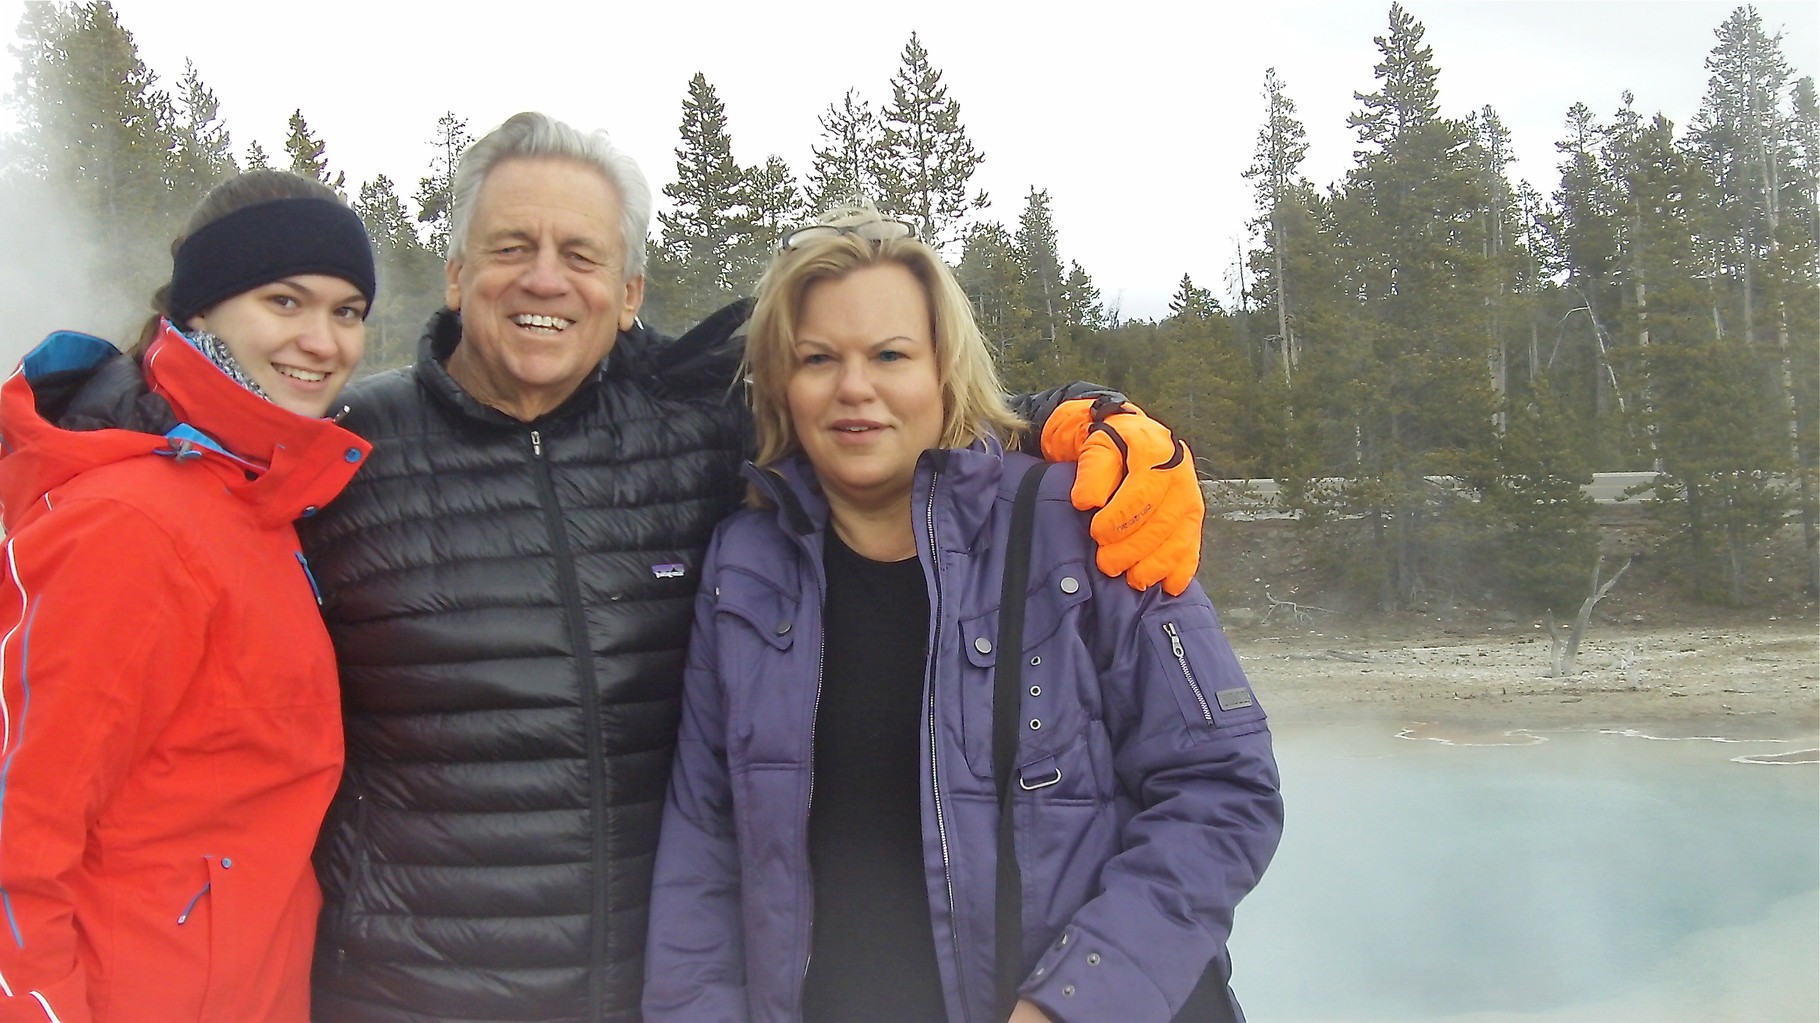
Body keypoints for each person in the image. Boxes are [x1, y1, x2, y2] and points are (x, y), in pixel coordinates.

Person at [298, 112, 1206, 1023]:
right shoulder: (338, 458)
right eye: (510, 245)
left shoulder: (690, 434)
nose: (545, 277)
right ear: (455, 273)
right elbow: (189, 488)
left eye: (581, 253)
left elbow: (885, 397)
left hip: (636, 992)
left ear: (629, 292)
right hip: (410, 991)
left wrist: (1087, 417)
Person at [642, 207, 1283, 1023]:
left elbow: (1224, 788)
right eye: (817, 358)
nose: (854, 387)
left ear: (944, 367)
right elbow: (703, 849)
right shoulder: (744, 567)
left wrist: (1070, 1005)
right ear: (780, 382)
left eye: (889, 354)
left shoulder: (1085, 519)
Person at [0, 170, 376, 1022]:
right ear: (200, 311)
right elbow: (20, 834)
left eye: (347, 311)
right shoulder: (131, 523)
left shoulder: (253, 507)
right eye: (286, 302)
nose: (324, 340)